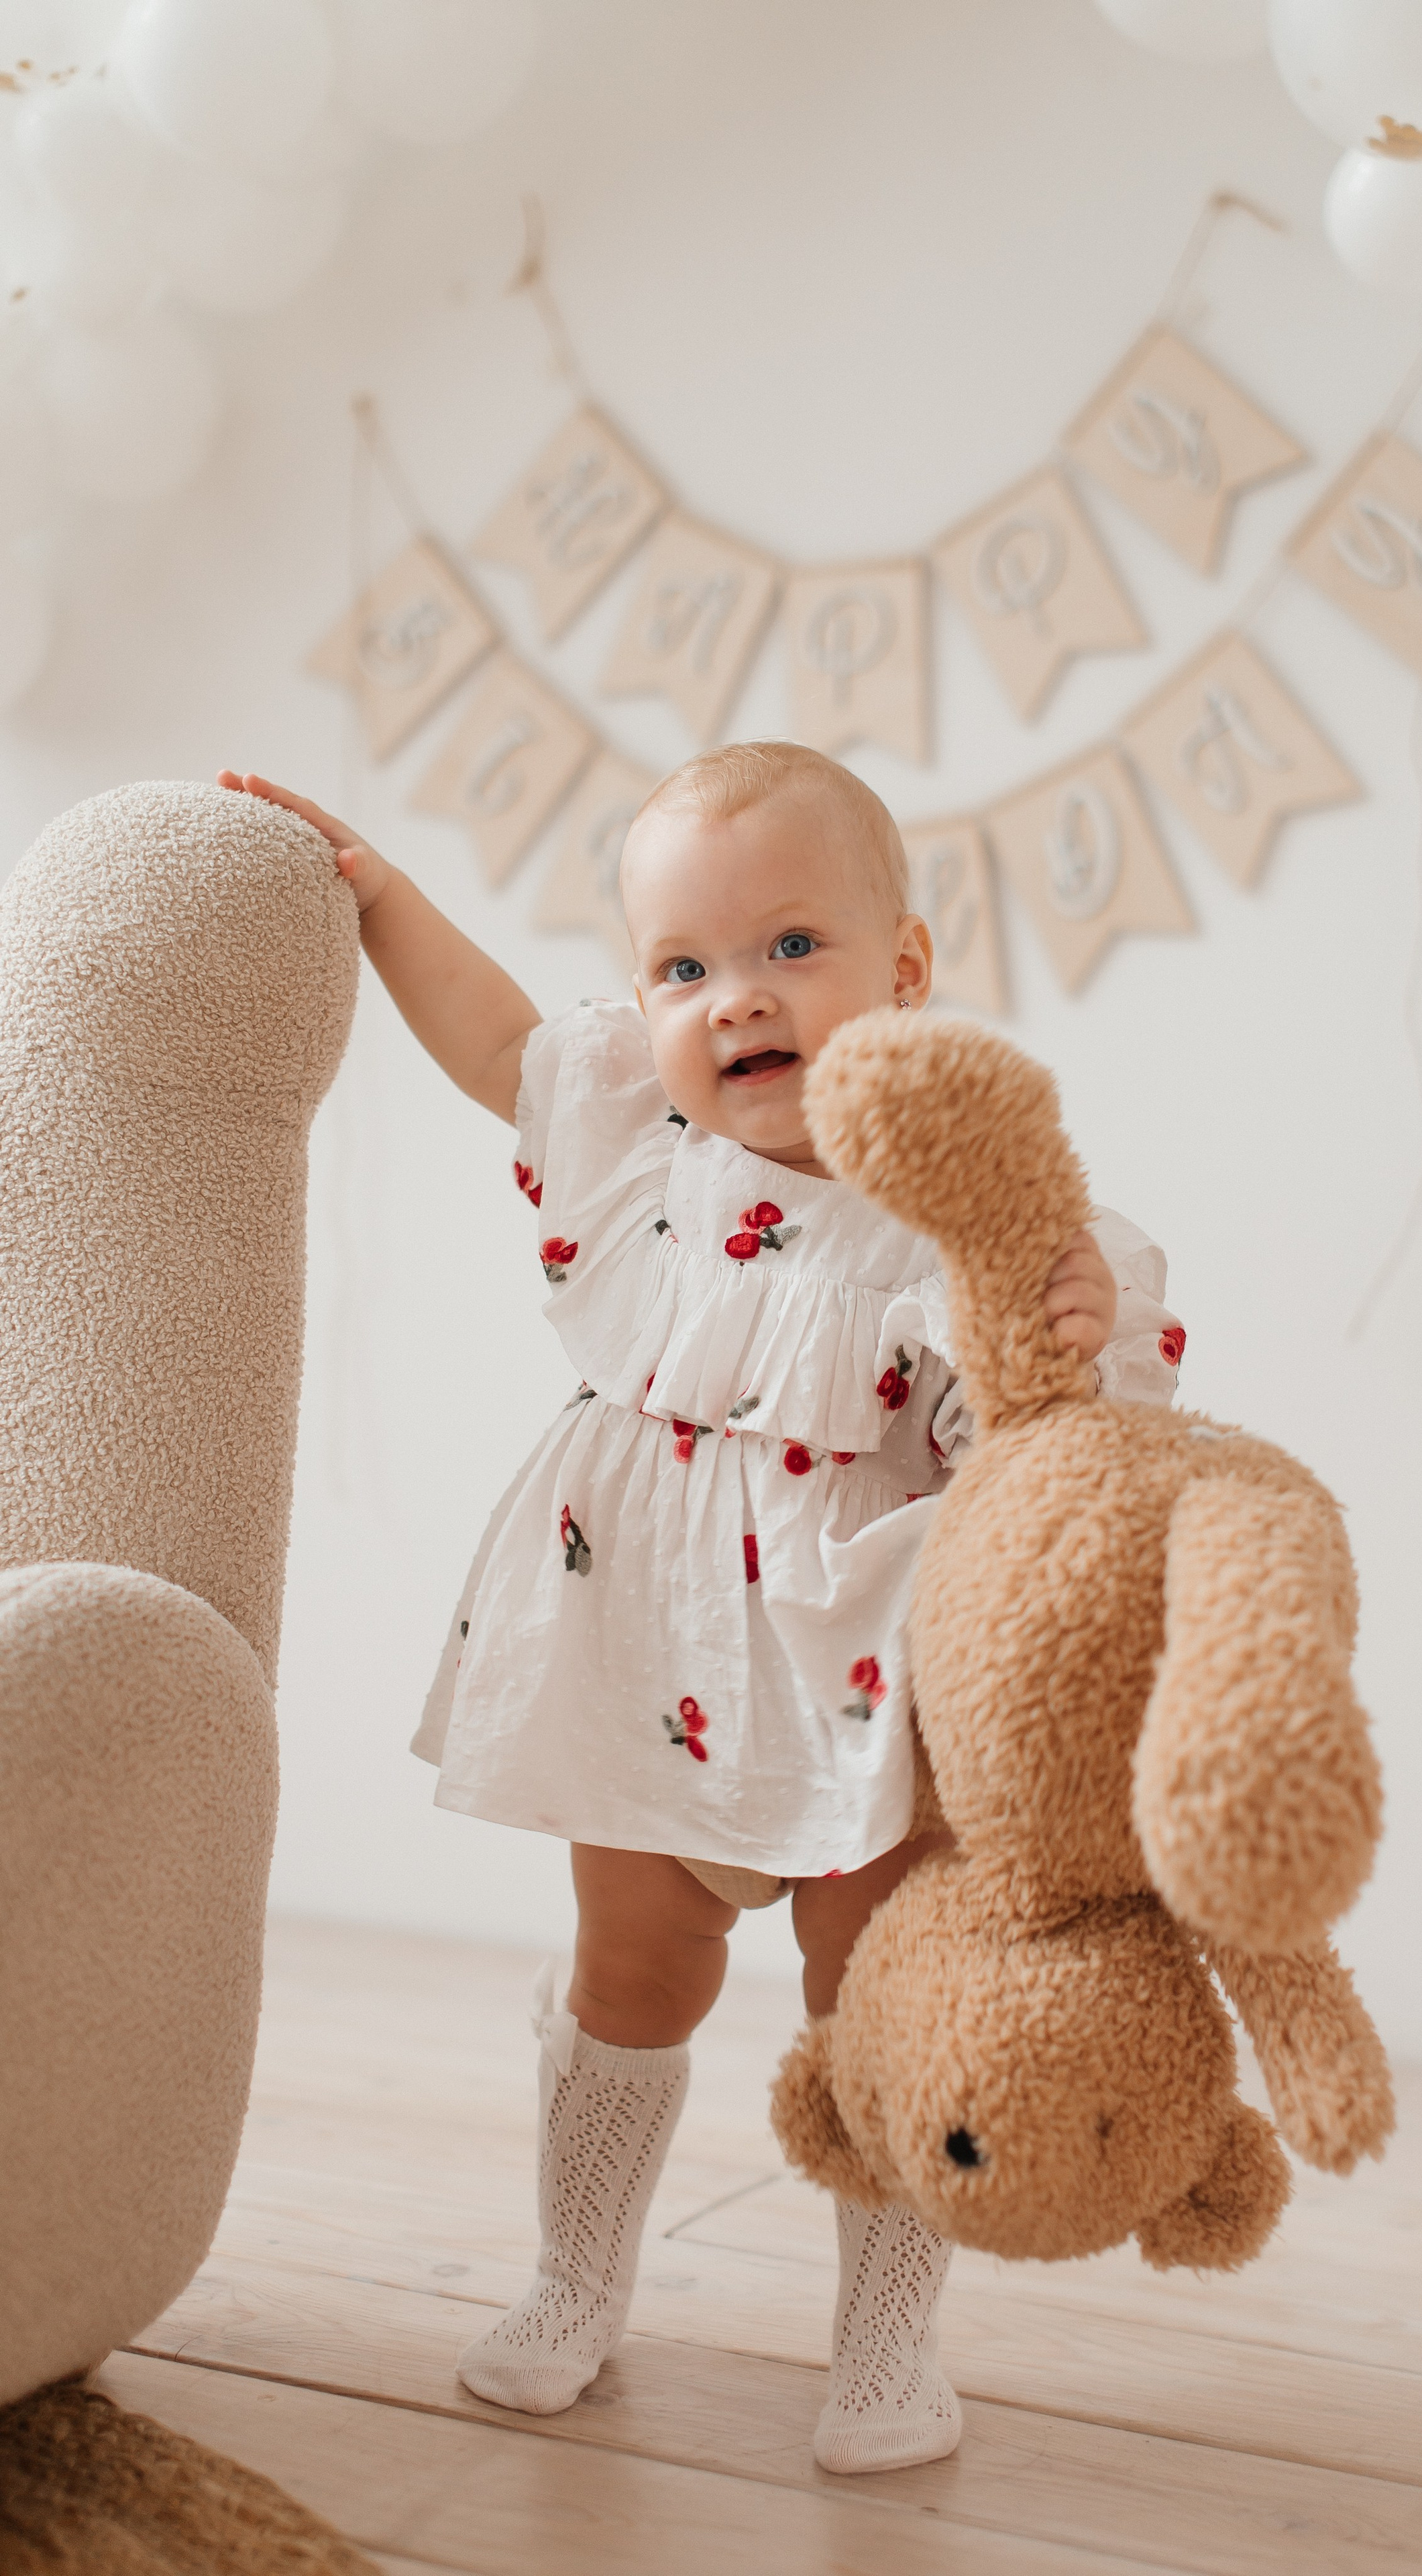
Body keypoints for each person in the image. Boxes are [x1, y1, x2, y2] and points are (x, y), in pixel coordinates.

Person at [218, 742, 1185, 2474]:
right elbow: (507, 1044)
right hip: (646, 1641)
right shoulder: (645, 1155)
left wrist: (1069, 1313)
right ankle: (572, 2278)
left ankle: (888, 2337)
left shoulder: (966, 1223)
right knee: (632, 1970)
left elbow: (1067, 1448)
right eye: (684, 968)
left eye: (791, 948)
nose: (736, 998)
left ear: (906, 972)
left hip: (870, 1670)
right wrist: (373, 891)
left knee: (874, 1997)